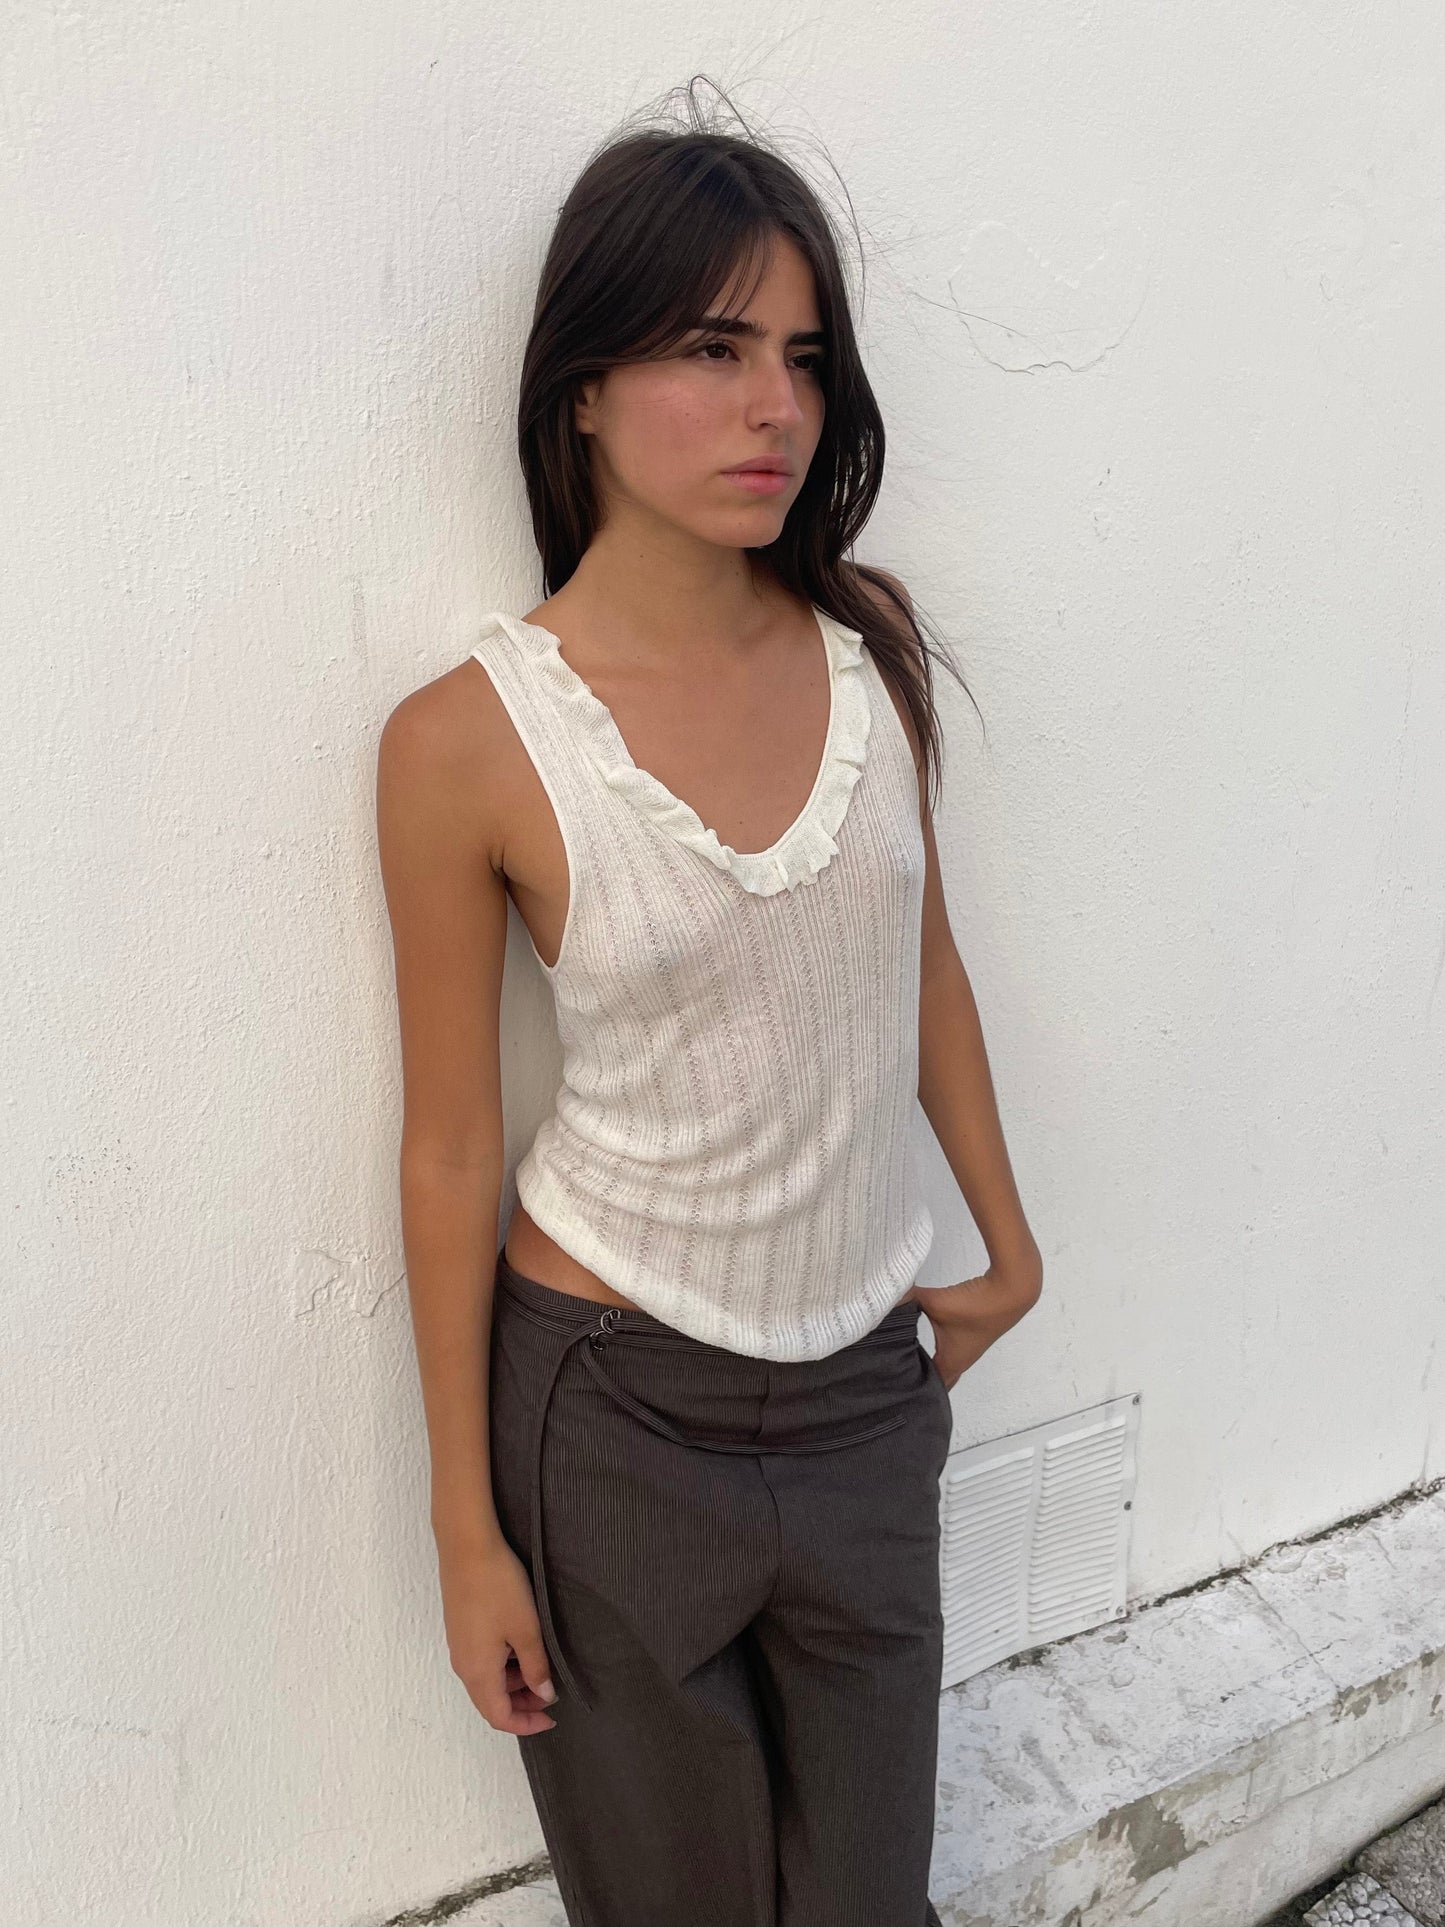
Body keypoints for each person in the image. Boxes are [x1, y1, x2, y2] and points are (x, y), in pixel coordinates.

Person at [376, 89, 1043, 1927]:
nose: (775, 408)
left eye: (804, 358)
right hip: (609, 1415)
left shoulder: (868, 655)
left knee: (867, 1905)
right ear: (579, 386)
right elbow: (447, 1144)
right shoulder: (463, 745)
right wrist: (464, 1527)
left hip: (860, 1403)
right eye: (709, 346)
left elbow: (916, 958)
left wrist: (1006, 1242)